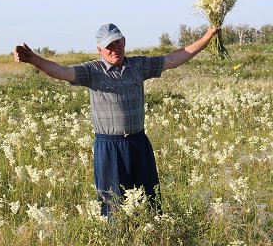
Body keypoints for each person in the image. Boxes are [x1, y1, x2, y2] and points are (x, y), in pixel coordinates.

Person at [14, 23, 219, 216]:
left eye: (117, 43)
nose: (114, 49)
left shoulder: (138, 65)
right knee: (114, 206)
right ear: (99, 49)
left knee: (150, 202)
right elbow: (61, 71)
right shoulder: (92, 70)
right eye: (108, 46)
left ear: (124, 42)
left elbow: (173, 59)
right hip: (109, 147)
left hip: (138, 142)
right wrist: (34, 59)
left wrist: (206, 37)